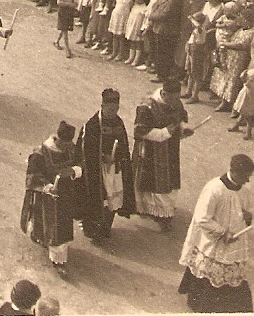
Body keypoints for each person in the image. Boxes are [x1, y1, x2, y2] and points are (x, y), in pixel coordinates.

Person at [178, 153, 254, 313]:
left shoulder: (245, 190)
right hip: (214, 241)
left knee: (233, 273)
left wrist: (248, 215)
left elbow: (247, 207)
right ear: (234, 171)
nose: (248, 180)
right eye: (245, 176)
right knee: (210, 274)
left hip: (235, 242)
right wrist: (222, 232)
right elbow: (202, 218)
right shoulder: (214, 189)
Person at [20, 121, 81, 277]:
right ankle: (58, 261)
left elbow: (81, 163)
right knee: (51, 225)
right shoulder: (41, 153)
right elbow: (33, 176)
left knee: (62, 225)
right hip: (46, 197)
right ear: (58, 139)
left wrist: (73, 171)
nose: (68, 148)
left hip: (65, 195)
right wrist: (47, 186)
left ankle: (55, 252)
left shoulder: (70, 148)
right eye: (65, 144)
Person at [132, 79, 194, 231]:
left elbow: (178, 122)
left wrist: (183, 130)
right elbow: (140, 131)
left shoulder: (176, 103)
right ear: (164, 94)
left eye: (177, 98)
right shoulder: (147, 106)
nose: (175, 102)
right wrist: (165, 132)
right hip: (150, 150)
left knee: (168, 180)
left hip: (170, 149)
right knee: (150, 180)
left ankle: (164, 213)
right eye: (172, 98)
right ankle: (150, 210)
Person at [75, 88, 135, 243]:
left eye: (116, 109)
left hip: (114, 168)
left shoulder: (118, 122)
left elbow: (124, 145)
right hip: (97, 171)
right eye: (110, 109)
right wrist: (102, 157)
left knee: (113, 199)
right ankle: (93, 230)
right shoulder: (93, 125)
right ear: (102, 106)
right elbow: (86, 150)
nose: (113, 112)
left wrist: (116, 157)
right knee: (97, 198)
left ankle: (106, 227)